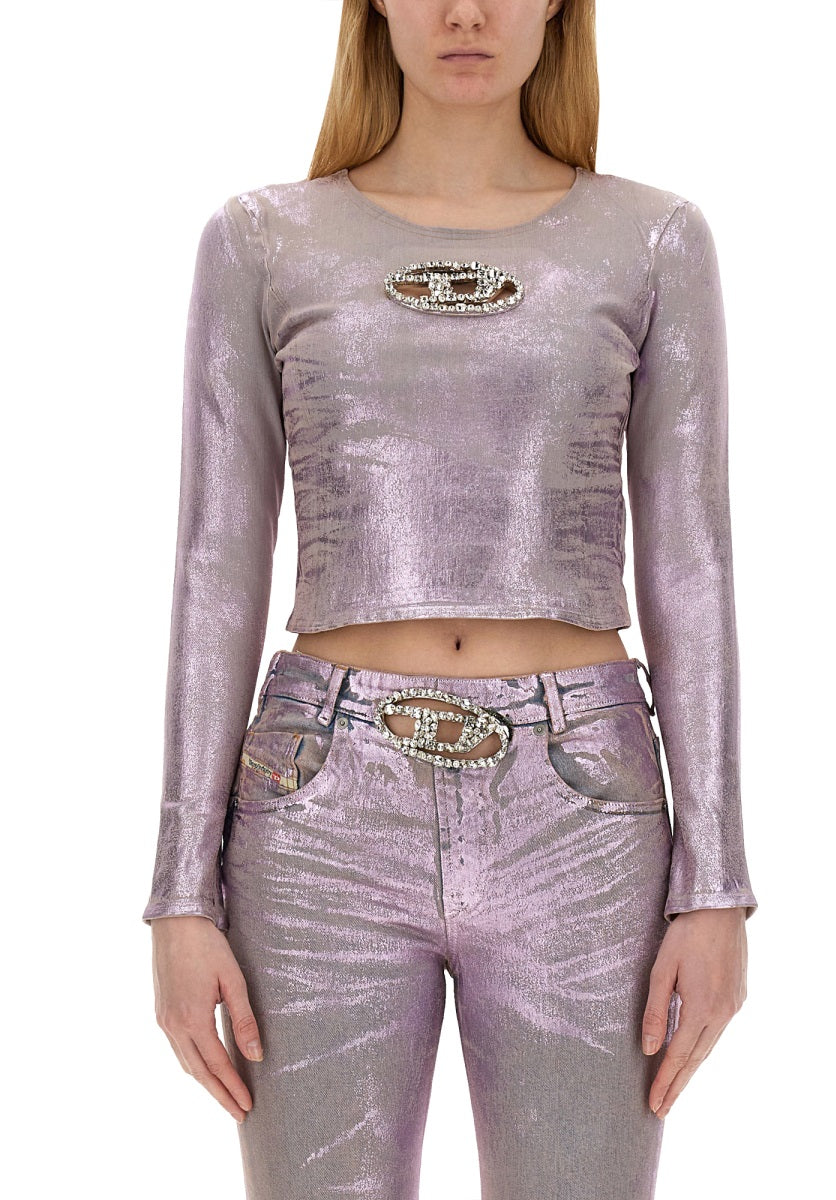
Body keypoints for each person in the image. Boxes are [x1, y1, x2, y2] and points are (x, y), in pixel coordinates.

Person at [142, 2, 758, 1197]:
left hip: (582, 821)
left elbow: (692, 560)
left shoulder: (651, 241)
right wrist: (180, 892)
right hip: (320, 814)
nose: (465, 12)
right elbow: (217, 560)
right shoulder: (266, 240)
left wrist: (716, 882)